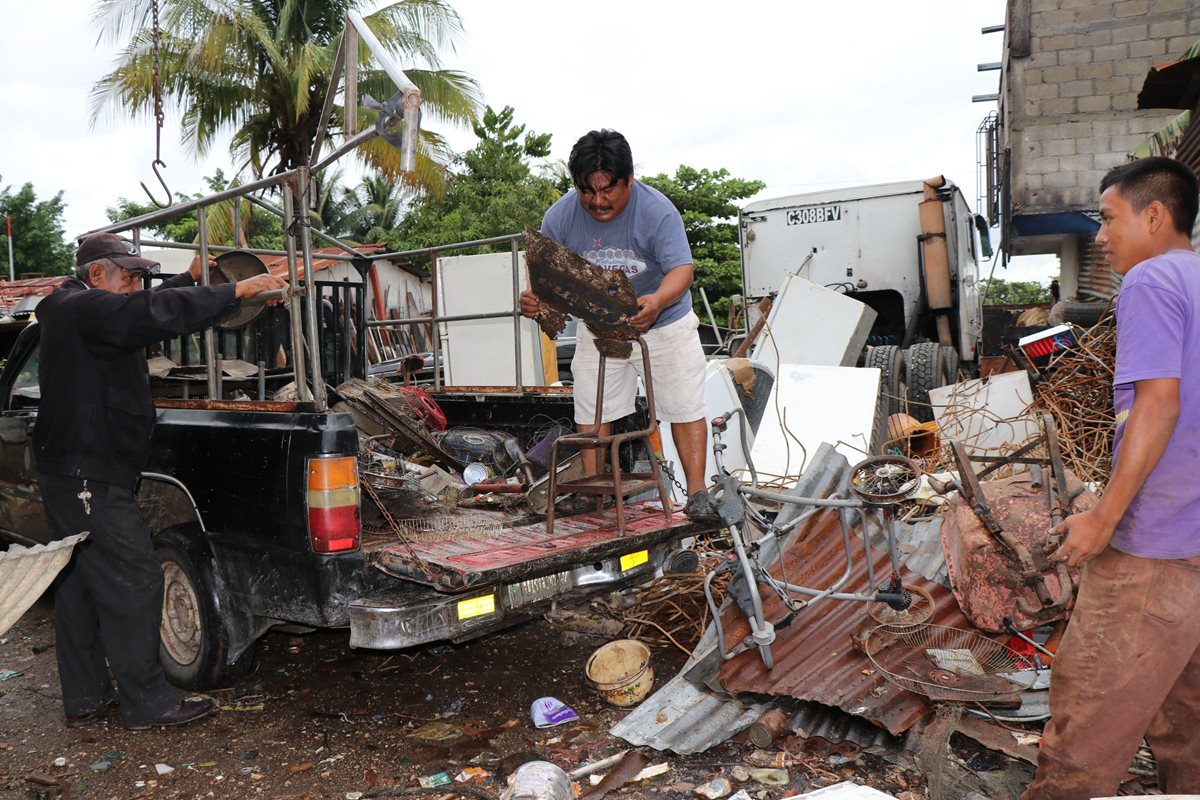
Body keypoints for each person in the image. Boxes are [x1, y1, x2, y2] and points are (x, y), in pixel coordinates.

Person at [36, 233, 286, 730]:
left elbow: (139, 315)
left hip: (77, 469)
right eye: (128, 277)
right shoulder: (73, 308)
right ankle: (148, 703)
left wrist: (191, 280)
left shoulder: (87, 314)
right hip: (89, 473)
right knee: (138, 577)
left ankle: (86, 698)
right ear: (96, 276)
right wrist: (234, 291)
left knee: (82, 584)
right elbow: (142, 313)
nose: (134, 286)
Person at [1022, 156, 1200, 799]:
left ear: (1154, 215)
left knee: (1085, 731)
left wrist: (1104, 517)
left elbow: (1158, 405)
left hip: (1154, 547)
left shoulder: (1152, 281)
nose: (1100, 236)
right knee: (1187, 726)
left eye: (1107, 218)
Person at [519, 129, 716, 520]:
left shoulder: (657, 211)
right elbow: (545, 274)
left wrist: (657, 300)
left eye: (608, 190)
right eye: (587, 191)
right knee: (592, 409)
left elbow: (682, 269)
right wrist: (534, 300)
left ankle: (697, 494)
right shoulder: (559, 216)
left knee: (683, 405)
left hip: (664, 324)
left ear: (628, 180)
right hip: (598, 326)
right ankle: (595, 495)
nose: (598, 201)